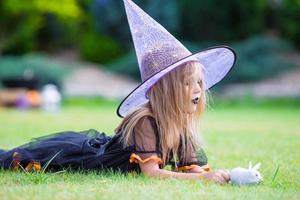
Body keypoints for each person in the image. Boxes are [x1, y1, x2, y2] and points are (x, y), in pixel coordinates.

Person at [0, 0, 236, 185]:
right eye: (188, 83)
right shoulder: (146, 120)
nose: (198, 89)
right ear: (167, 91)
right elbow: (152, 174)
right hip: (87, 159)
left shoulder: (182, 125)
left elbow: (191, 165)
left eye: (199, 82)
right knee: (16, 159)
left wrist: (217, 175)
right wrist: (201, 179)